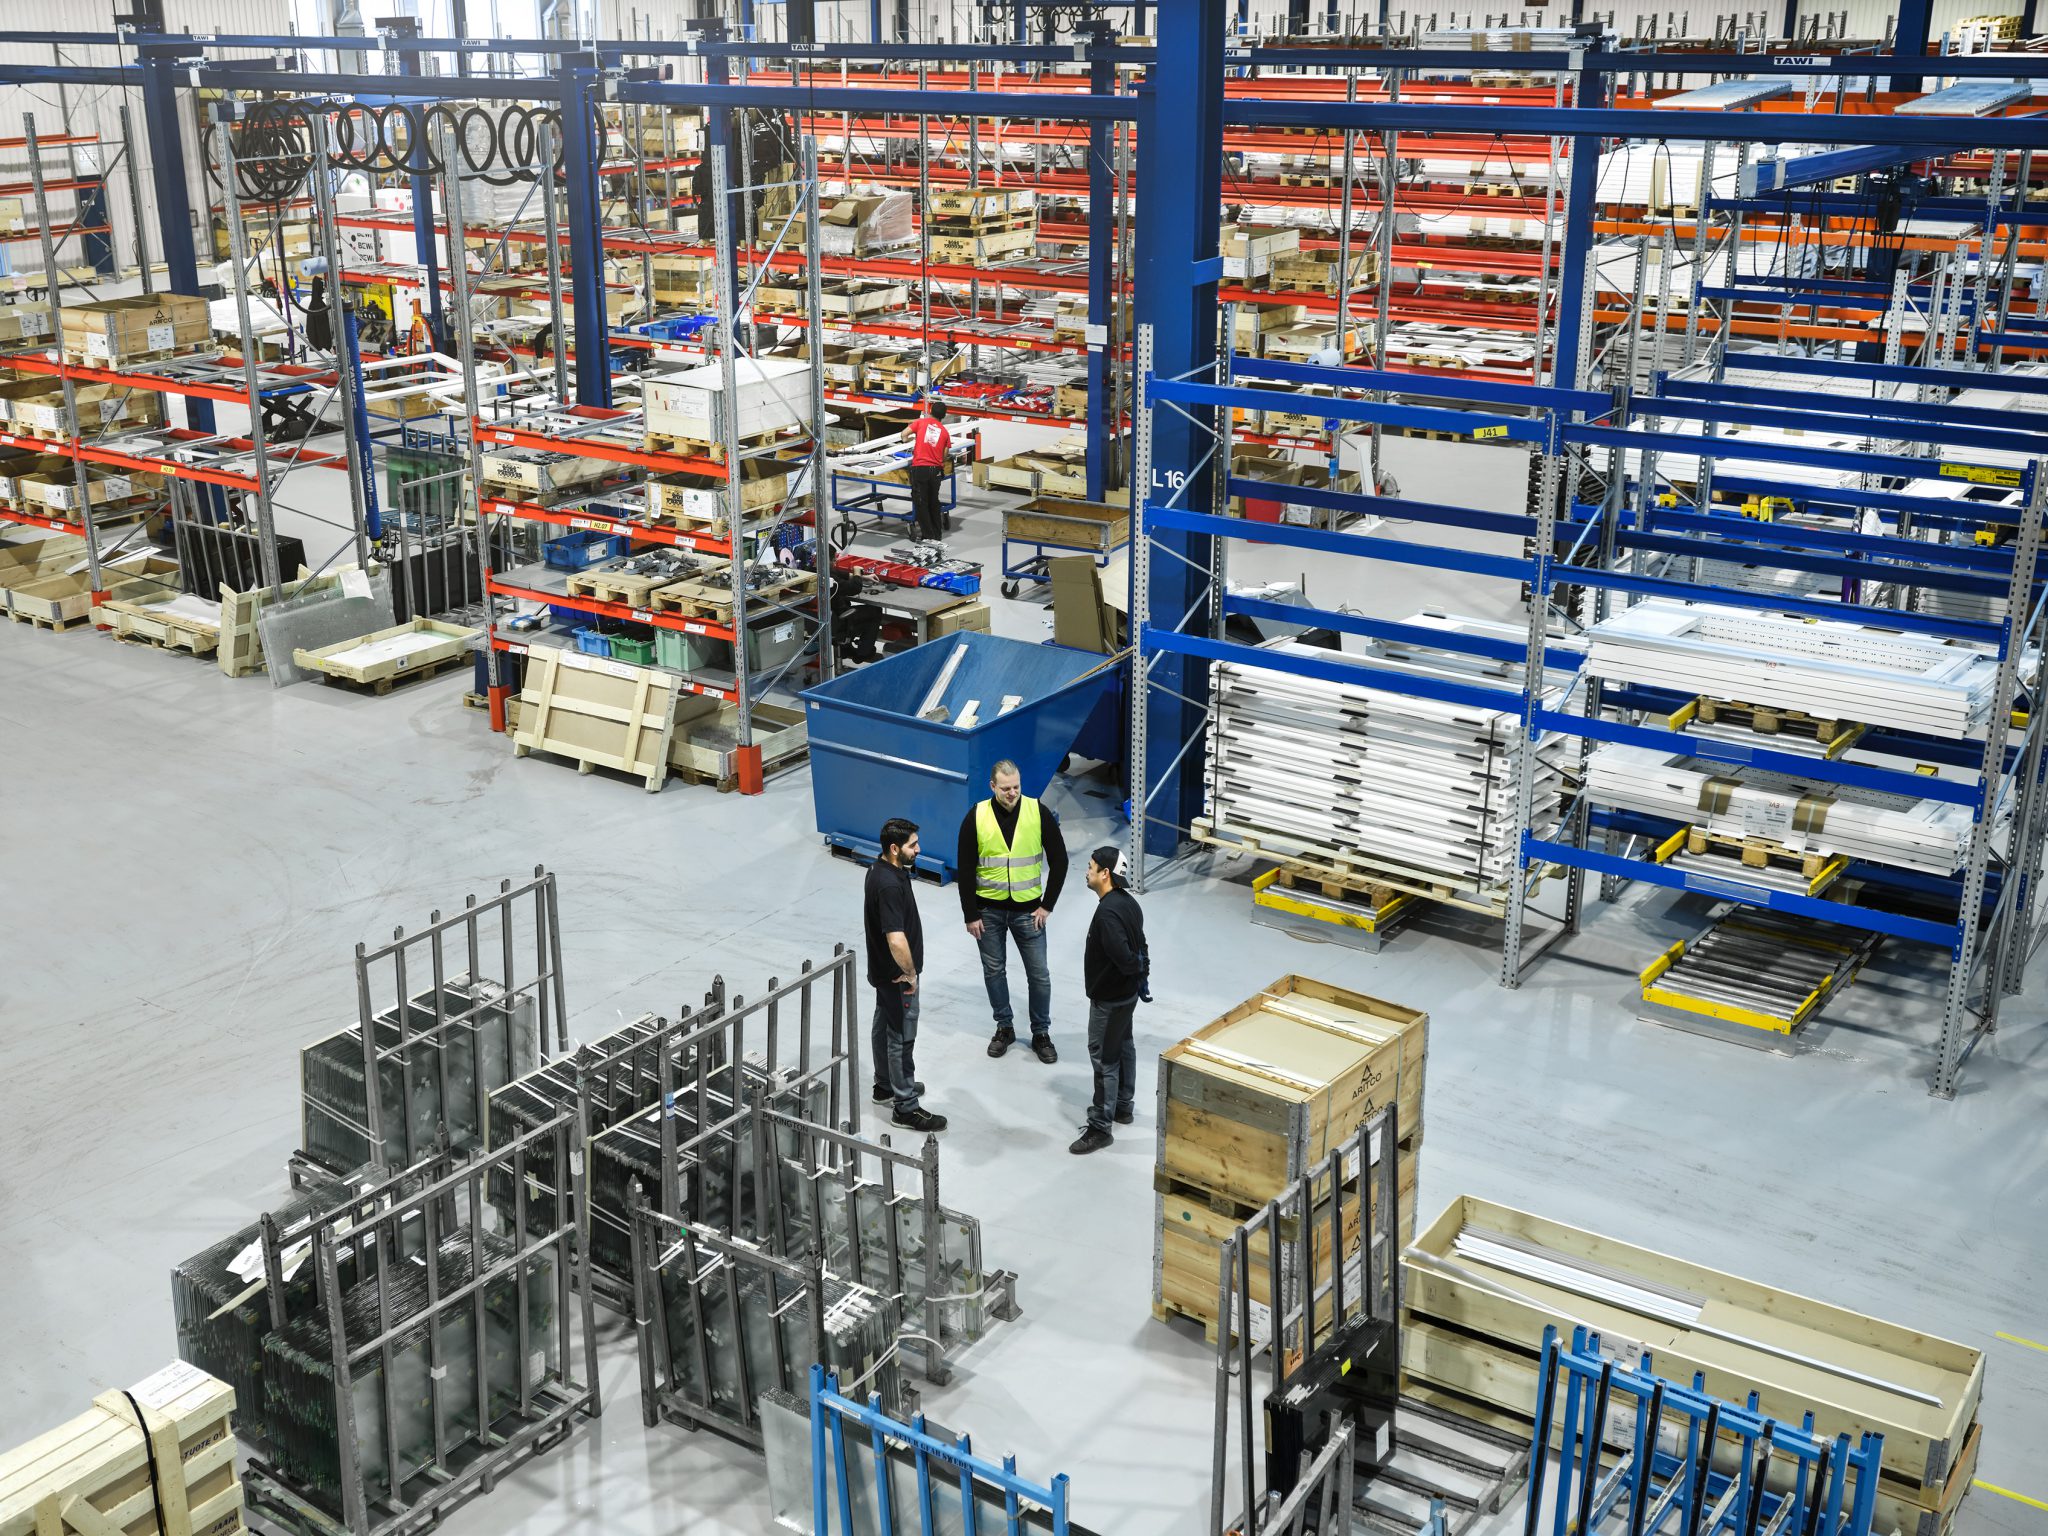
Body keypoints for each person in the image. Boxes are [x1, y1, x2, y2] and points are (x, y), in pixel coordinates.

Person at [957, 759, 1068, 1064]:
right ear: (992, 787)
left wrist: (1048, 905)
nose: (1012, 793)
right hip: (988, 912)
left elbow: (1060, 861)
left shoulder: (1038, 811)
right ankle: (1004, 1027)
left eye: (1016, 787)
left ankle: (1041, 1033)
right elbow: (965, 869)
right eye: (1005, 788)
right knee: (994, 972)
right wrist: (970, 914)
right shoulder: (976, 816)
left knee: (1040, 976)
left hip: (1028, 912)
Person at [863, 817, 946, 1132]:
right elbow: (895, 938)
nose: (919, 849)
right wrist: (910, 973)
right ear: (895, 848)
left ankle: (885, 1085)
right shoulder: (888, 884)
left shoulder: (880, 869)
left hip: (883, 972)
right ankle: (906, 1107)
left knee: (883, 1024)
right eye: (913, 845)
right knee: (901, 1036)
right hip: (898, 977)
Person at [1071, 846, 1148, 1155]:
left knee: (1104, 1057)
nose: (1087, 871)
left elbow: (1127, 957)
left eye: (1091, 867)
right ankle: (1123, 1106)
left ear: (1105, 873)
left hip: (1110, 998)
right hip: (1127, 996)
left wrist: (1136, 969)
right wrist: (1141, 975)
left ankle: (1101, 1126)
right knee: (1124, 1045)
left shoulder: (1107, 914)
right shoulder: (1129, 904)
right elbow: (1142, 946)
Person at [903, 398, 951, 547]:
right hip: (936, 471)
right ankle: (937, 535)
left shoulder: (920, 423)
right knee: (933, 503)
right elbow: (944, 455)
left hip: (920, 469)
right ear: (943, 416)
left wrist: (910, 439)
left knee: (921, 503)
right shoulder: (944, 432)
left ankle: (928, 537)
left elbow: (904, 435)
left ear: (930, 411)